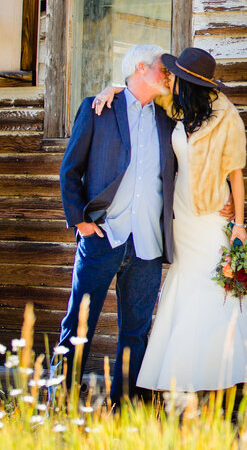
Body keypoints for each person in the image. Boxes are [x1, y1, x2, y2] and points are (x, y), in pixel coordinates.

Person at [94, 46, 247, 393]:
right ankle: (186, 375)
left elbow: (236, 174)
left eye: (176, 76)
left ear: (190, 82)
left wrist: (239, 223)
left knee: (213, 288)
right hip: (181, 216)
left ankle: (227, 370)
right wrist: (112, 88)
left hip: (209, 215)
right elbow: (137, 94)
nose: (170, 79)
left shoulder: (227, 115)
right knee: (185, 285)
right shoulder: (174, 108)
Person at [55, 44, 175, 405]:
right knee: (79, 325)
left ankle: (125, 408)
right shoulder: (98, 110)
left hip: (148, 245)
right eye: (162, 68)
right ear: (140, 68)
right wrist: (81, 222)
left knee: (136, 333)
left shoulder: (167, 121)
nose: (168, 75)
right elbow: (70, 170)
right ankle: (60, 401)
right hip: (103, 236)